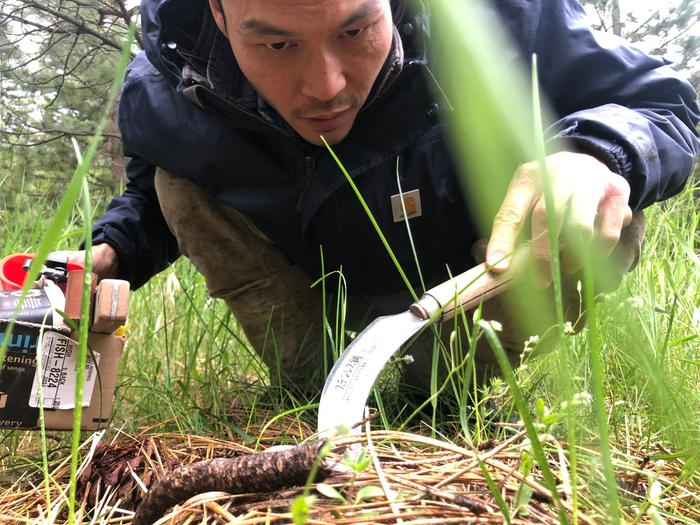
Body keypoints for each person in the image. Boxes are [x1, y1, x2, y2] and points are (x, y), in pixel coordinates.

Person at [78, 0, 699, 391]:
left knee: (598, 186)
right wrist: (111, 252)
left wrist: (597, 154)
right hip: (313, 296)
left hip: (466, 286)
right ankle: (315, 387)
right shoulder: (165, 86)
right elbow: (155, 191)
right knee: (175, 185)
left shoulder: (498, 15)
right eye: (276, 44)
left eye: (356, 29)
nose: (325, 85)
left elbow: (664, 103)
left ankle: (452, 392)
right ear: (217, 14)